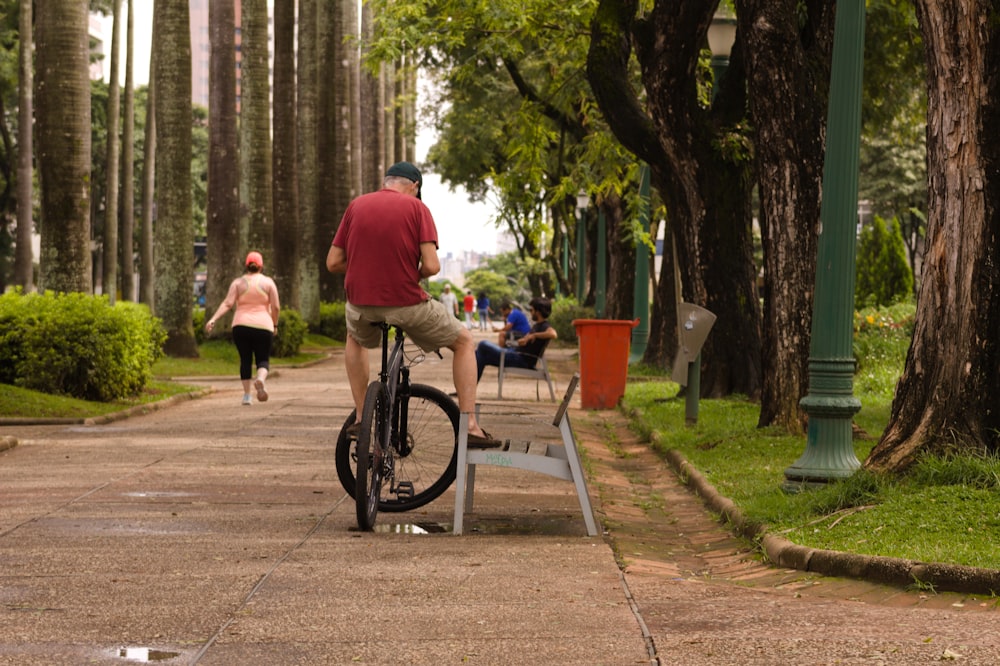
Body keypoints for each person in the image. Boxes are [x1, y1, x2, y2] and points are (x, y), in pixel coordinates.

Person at [326, 161, 499, 448]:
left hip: (360, 305)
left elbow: (333, 262)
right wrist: (406, 273)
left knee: (354, 337)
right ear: (415, 186)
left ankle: (360, 416)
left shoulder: (356, 206)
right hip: (406, 303)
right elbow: (431, 266)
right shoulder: (418, 209)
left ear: (387, 181)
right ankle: (470, 426)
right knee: (465, 342)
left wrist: (369, 269)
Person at [205, 251, 281, 405]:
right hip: (263, 326)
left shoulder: (238, 283)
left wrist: (213, 319)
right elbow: (276, 306)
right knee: (263, 359)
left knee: (245, 360)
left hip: (241, 326)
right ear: (261, 266)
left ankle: (247, 396)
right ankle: (260, 379)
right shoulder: (268, 283)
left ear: (246, 265)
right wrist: (275, 324)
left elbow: (227, 303)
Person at [475, 297, 557, 382]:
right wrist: (524, 340)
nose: (530, 312)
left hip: (520, 359)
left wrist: (534, 335)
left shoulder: (544, 325)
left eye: (532, 310)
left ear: (538, 312)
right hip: (515, 354)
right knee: (480, 355)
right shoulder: (537, 325)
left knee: (483, 344)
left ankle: (468, 390)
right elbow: (527, 341)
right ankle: (469, 390)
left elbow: (553, 334)